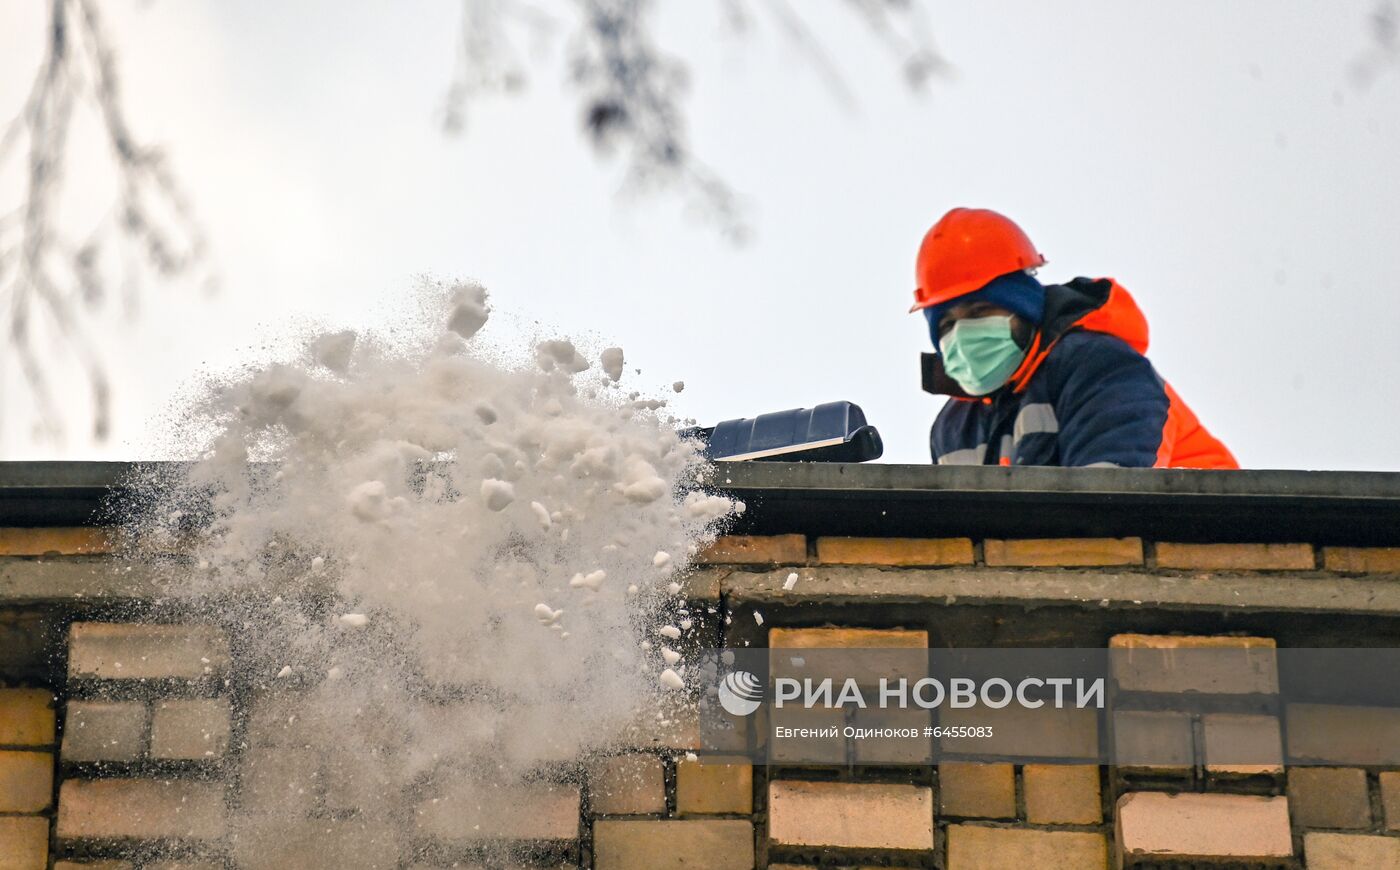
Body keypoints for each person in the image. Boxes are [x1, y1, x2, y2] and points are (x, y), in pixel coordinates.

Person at [911, 207, 1237, 469]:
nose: (963, 334)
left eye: (980, 312)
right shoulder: (954, 426)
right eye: (946, 326)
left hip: (1216, 540)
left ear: (1024, 310)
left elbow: (1107, 504)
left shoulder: (1101, 369)